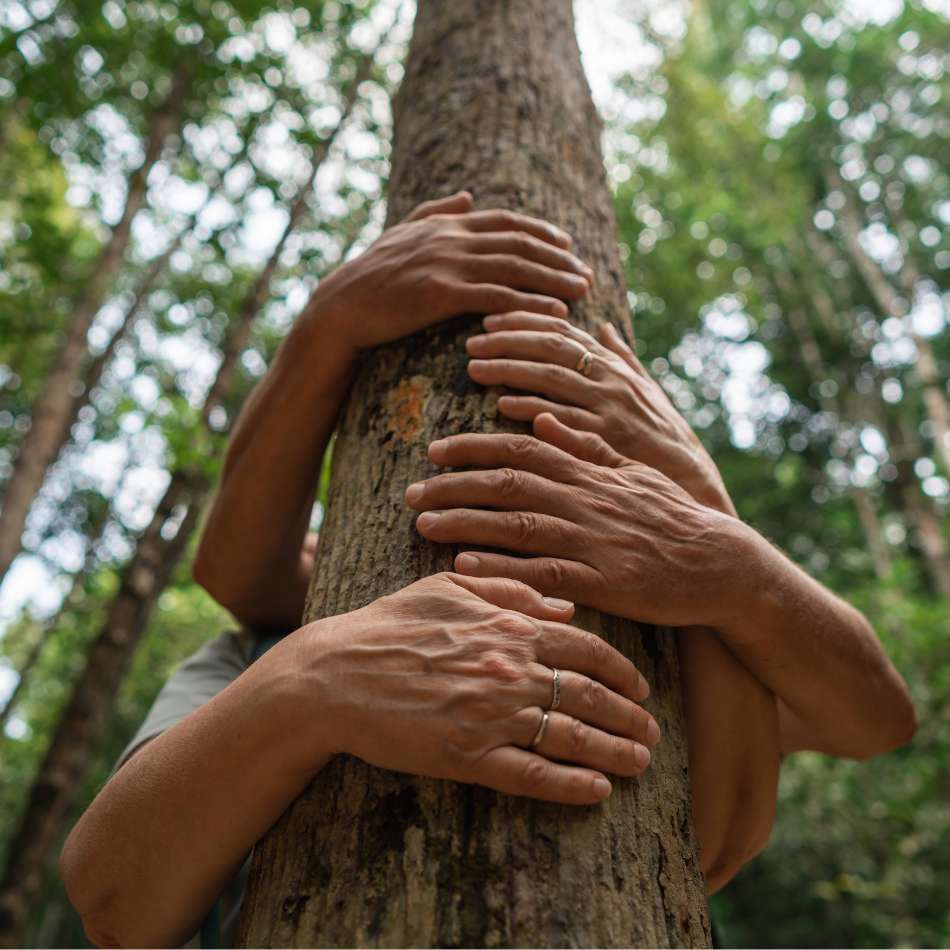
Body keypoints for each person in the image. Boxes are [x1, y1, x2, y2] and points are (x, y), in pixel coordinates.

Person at [60, 193, 916, 948]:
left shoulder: (681, 634)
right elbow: (114, 901)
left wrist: (710, 525)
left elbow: (870, 722)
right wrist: (312, 679)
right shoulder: (249, 654)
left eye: (591, 481)